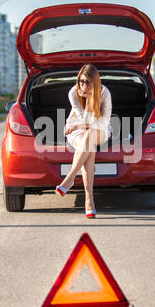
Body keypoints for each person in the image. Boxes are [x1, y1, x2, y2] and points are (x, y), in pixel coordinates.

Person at [55, 63, 112, 218]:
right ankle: (89, 201)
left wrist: (90, 98)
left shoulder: (105, 93)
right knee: (89, 147)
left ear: (95, 82)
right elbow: (83, 119)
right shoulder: (73, 92)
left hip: (100, 128)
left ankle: (70, 177)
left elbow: (103, 122)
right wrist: (85, 101)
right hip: (77, 128)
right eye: (81, 81)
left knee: (91, 134)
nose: (84, 85)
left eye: (88, 82)